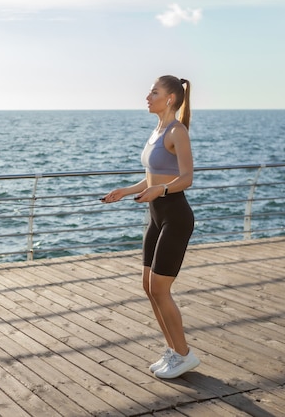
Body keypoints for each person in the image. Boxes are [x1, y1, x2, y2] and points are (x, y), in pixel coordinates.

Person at [101, 75, 199, 379]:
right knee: (148, 287)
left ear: (169, 98)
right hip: (155, 215)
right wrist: (127, 190)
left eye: (153, 92)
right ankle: (172, 350)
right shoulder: (157, 131)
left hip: (175, 216)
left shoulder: (177, 131)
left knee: (160, 288)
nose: (147, 96)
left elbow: (186, 178)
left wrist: (161, 191)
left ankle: (184, 354)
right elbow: (153, 177)